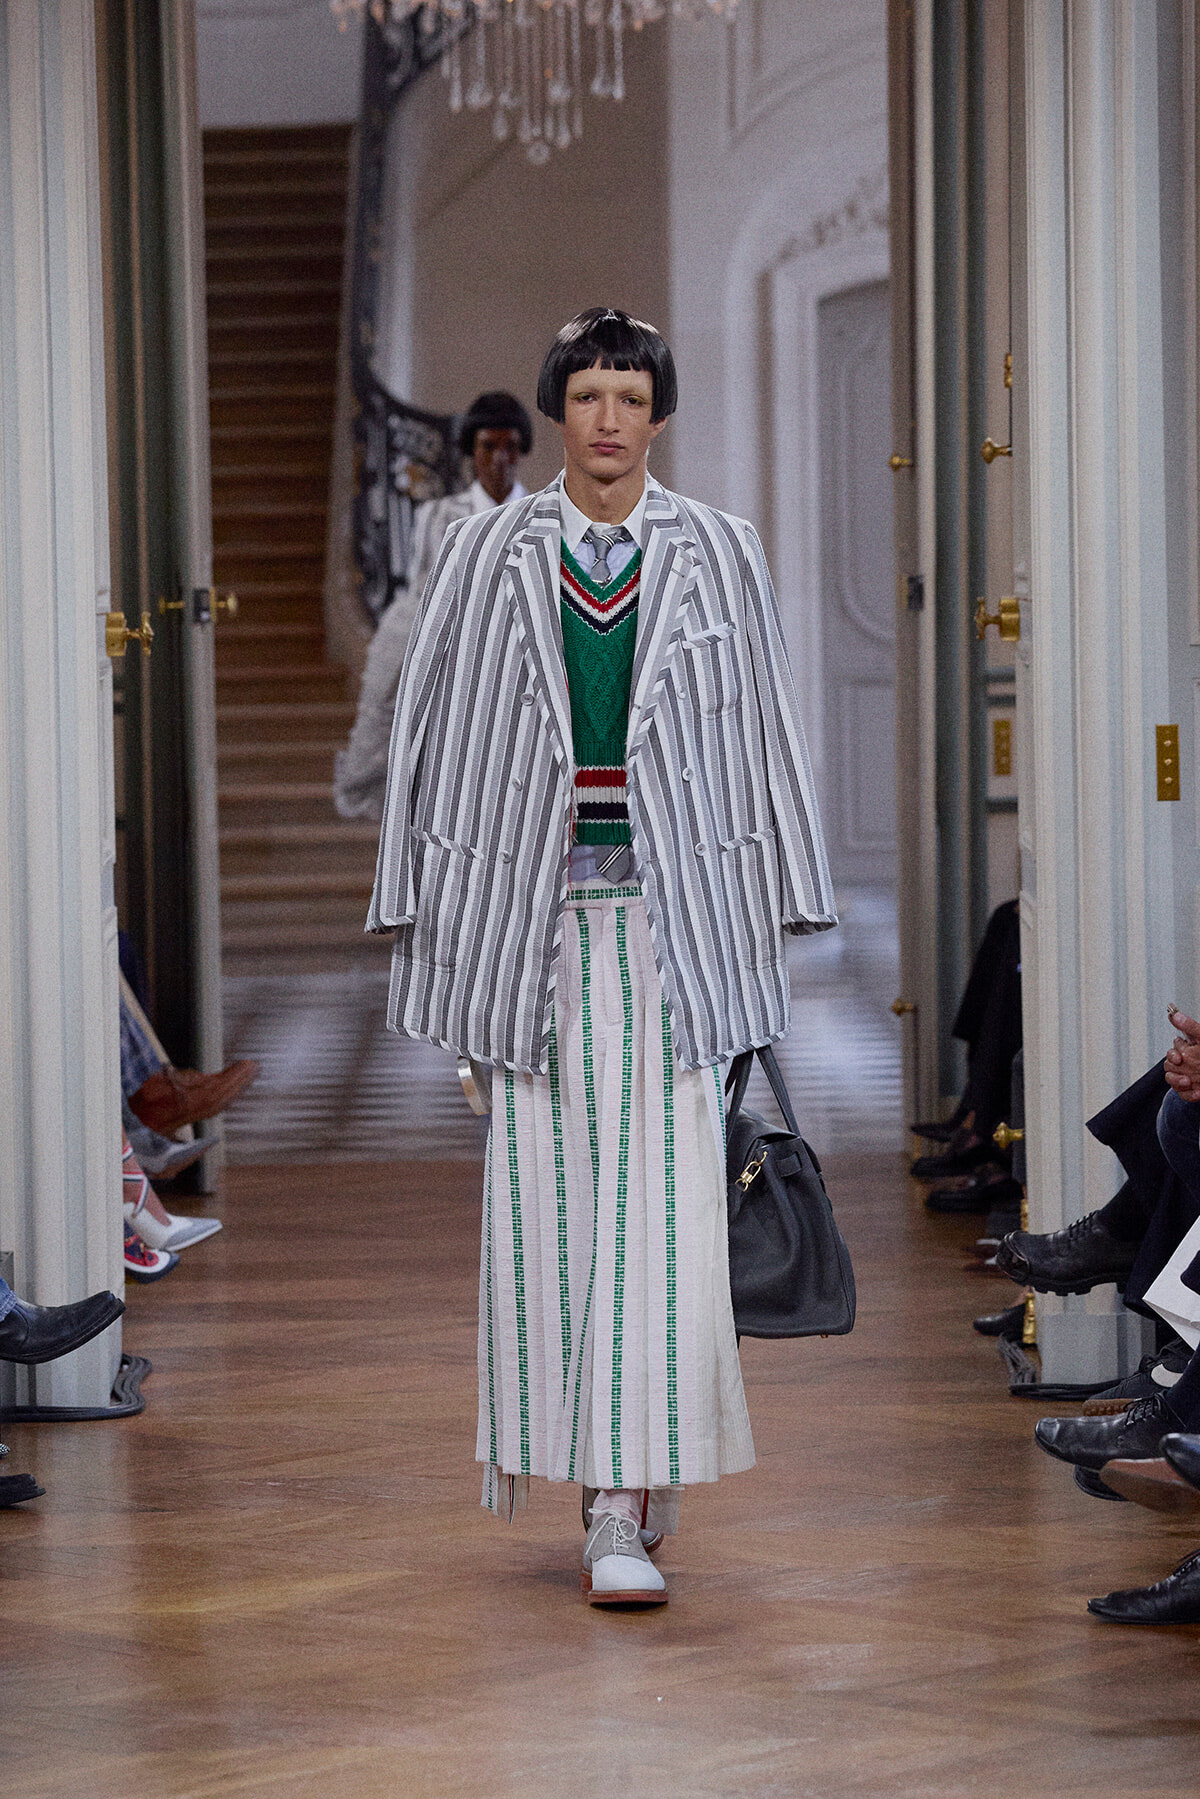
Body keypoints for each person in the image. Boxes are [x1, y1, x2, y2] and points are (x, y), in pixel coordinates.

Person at [367, 307, 836, 1607]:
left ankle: (624, 1495)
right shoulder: (486, 552)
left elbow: (765, 725)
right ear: (560, 412)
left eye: (632, 396)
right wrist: (424, 919)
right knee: (553, 1218)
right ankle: (610, 1484)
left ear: (658, 412)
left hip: (674, 929)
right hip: (533, 931)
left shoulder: (720, 552)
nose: (611, 419)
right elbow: (433, 735)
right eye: (589, 397)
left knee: (667, 1218)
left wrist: (780, 911)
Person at [334, 390, 533, 822]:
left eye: (510, 447)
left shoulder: (545, 517)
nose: (500, 459)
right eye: (489, 446)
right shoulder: (440, 516)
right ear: (471, 452)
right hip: (449, 646)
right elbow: (421, 593)